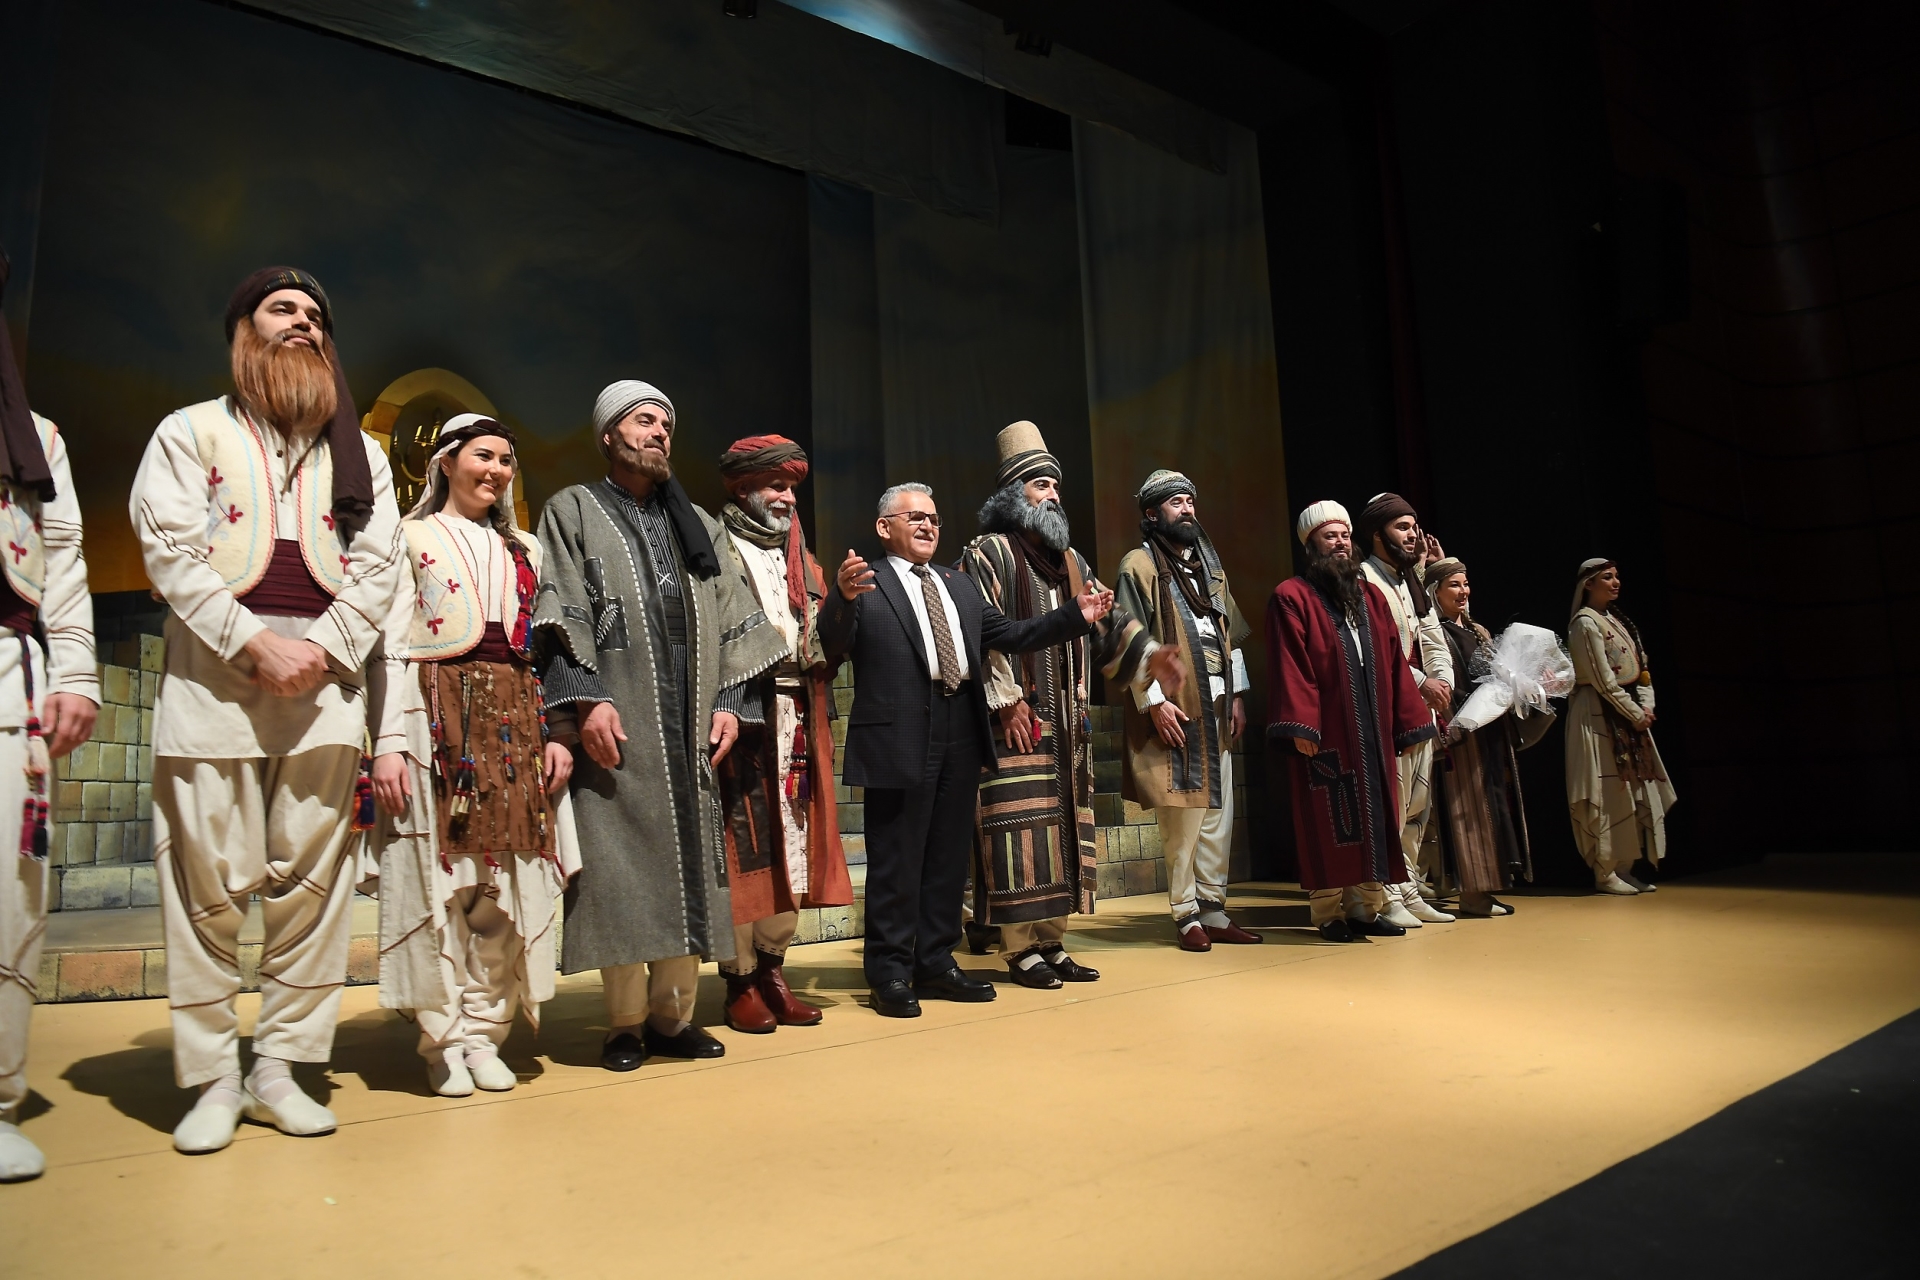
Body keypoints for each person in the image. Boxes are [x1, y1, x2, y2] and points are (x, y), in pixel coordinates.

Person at [131, 267, 405, 1154]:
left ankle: (280, 1069)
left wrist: (321, 649)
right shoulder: (190, 431)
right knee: (204, 888)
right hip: (212, 682)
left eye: (316, 315)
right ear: (243, 331)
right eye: (283, 309)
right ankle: (214, 1078)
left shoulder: (361, 456)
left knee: (313, 892)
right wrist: (254, 642)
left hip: (323, 692)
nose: (303, 323)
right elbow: (168, 548)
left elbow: (382, 566)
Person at [535, 381, 785, 1070]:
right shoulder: (572, 510)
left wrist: (730, 702)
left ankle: (673, 1019)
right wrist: (587, 699)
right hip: (618, 722)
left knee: (691, 869)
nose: (658, 433)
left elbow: (735, 615)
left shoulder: (697, 523)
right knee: (621, 873)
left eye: (666, 425)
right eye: (644, 421)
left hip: (691, 724)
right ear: (609, 435)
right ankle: (622, 1025)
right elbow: (560, 607)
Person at [820, 482, 1111, 1018]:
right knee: (896, 860)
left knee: (948, 857)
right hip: (898, 734)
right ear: (884, 527)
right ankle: (889, 972)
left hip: (959, 725)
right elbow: (832, 643)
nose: (928, 526)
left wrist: (1076, 614)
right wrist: (840, 597)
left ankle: (935, 961)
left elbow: (1014, 634)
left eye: (934, 518)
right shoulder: (867, 582)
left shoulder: (957, 585)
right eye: (915, 517)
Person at [367, 415, 581, 1096]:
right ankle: (443, 1042)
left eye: (506, 460)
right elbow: (390, 644)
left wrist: (559, 734)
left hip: (515, 721)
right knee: (444, 886)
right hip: (435, 716)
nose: (496, 470)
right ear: (447, 462)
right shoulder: (410, 538)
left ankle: (486, 1034)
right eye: (483, 456)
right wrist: (388, 742)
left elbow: (551, 649)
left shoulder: (527, 550)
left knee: (503, 888)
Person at [958, 423, 1179, 989]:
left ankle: (1052, 942)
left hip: (1067, 724)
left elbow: (1109, 621)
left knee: (1059, 831)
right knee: (1019, 832)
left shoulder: (1071, 560)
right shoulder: (988, 553)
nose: (1053, 494)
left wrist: (1148, 656)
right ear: (1014, 495)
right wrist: (1006, 701)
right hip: (1019, 720)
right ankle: (1018, 949)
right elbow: (980, 633)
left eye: (1056, 485)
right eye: (1040, 485)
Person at [0, 251, 99, 1183]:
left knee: (8, 895)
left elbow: (61, 558)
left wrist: (73, 672)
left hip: (6, 674)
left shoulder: (34, 438)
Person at [711, 434, 852, 1033]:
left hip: (800, 712)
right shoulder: (715, 548)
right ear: (743, 487)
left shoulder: (802, 557)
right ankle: (740, 978)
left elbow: (824, 642)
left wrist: (843, 599)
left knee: (796, 844)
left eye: (793, 487)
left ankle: (773, 968)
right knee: (745, 847)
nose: (789, 497)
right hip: (743, 712)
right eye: (777, 485)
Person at [1267, 502, 1436, 941]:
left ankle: (1367, 908)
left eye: (1345, 535)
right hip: (1327, 734)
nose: (1341, 543)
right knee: (1330, 822)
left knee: (1376, 815)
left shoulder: (1371, 597)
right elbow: (1291, 664)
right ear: (1311, 545)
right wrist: (1302, 726)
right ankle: (1328, 913)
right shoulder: (1292, 596)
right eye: (1330, 536)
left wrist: (1408, 723)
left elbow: (1395, 663)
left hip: (1373, 729)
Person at [1113, 470, 1260, 952]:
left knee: (1218, 811)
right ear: (1152, 513)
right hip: (1177, 704)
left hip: (1216, 702)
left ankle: (1214, 909)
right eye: (1176, 503)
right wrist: (1153, 703)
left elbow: (1228, 633)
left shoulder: (1208, 568)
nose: (1188, 510)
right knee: (1184, 814)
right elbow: (1127, 635)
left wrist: (1236, 695)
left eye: (1190, 501)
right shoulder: (1138, 564)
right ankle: (1185, 913)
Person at [1355, 493, 1456, 926]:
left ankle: (1411, 888)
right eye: (1402, 527)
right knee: (1393, 804)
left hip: (1422, 706)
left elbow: (1432, 636)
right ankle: (1388, 893)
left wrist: (1443, 681)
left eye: (1414, 526)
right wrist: (1421, 682)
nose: (1412, 534)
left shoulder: (1409, 580)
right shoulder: (1364, 579)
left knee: (1418, 805)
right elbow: (1378, 647)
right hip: (1388, 705)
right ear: (1377, 534)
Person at [1425, 557, 1541, 917]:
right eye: (1454, 585)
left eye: (1465, 584)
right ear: (1435, 592)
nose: (1463, 591)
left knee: (1493, 805)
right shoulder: (1436, 633)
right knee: (1469, 809)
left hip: (1492, 729)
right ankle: (1472, 894)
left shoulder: (1478, 630)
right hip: (1463, 730)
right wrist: (1459, 719)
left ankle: (1487, 889)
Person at [1566, 559, 1674, 894]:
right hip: (1599, 713)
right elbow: (1602, 680)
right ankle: (1605, 871)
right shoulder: (1585, 623)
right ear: (1588, 584)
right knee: (1606, 791)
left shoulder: (1617, 619)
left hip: (1626, 714)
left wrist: (1646, 706)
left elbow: (1642, 671)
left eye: (1616, 577)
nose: (1616, 583)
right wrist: (1634, 712)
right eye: (1607, 577)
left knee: (1632, 790)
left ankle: (1625, 867)